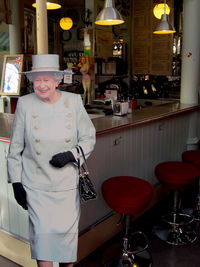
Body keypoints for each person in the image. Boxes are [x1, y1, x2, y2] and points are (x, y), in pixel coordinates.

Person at [7, 54, 96, 267]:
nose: (42, 85)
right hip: (36, 187)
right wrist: (17, 183)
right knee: (42, 242)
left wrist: (71, 154)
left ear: (57, 80)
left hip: (65, 186)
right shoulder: (25, 104)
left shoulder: (73, 102)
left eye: (47, 79)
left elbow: (88, 137)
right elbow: (15, 148)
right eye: (37, 80)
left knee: (66, 246)